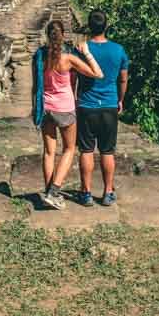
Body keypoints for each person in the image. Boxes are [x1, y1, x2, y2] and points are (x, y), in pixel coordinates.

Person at [31, 18, 102, 210]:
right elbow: (97, 73)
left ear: (47, 35)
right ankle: (54, 192)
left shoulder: (39, 56)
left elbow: (34, 86)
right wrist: (86, 53)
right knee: (69, 149)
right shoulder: (67, 58)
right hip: (64, 108)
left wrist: (34, 108)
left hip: (45, 108)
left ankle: (48, 193)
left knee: (48, 152)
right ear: (63, 36)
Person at [74, 10, 129, 207]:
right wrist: (120, 100)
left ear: (89, 27)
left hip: (87, 105)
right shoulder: (118, 50)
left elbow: (74, 77)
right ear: (106, 26)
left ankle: (86, 192)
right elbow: (123, 79)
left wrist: (75, 98)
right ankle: (107, 192)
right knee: (107, 151)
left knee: (86, 150)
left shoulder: (80, 49)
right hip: (109, 105)